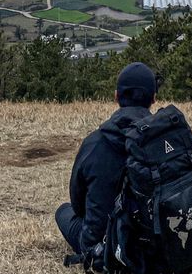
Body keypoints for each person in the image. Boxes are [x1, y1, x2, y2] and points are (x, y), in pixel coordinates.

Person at [55, 62, 156, 255]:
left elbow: (78, 204)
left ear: (116, 96)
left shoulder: (95, 143)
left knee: (63, 211)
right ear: (153, 98)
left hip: (104, 246)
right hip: (160, 239)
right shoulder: (168, 139)